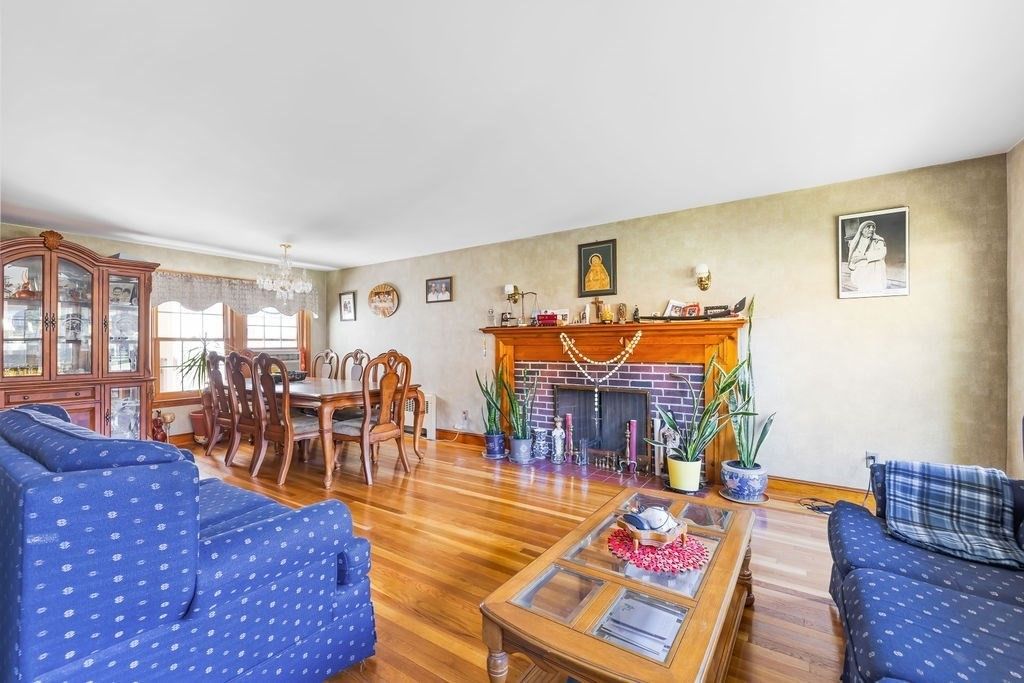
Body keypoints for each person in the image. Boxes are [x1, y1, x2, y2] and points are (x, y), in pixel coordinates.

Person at [847, 220, 888, 291]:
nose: (871, 229)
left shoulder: (878, 240)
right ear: (862, 230)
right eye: (868, 227)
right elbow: (853, 256)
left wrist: (862, 257)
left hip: (875, 269)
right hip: (861, 270)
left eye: (873, 227)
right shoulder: (855, 242)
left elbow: (881, 253)